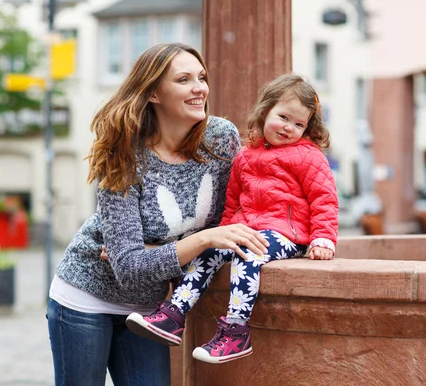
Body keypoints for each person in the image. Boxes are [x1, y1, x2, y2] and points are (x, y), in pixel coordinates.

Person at [46, 42, 269, 386]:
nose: (200, 88)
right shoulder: (124, 153)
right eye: (184, 80)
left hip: (149, 310)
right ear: (153, 93)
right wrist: (202, 239)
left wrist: (154, 253)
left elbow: (236, 216)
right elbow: (130, 271)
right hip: (85, 294)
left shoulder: (220, 139)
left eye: (201, 77)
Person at [126, 73, 339, 364]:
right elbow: (233, 202)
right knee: (209, 250)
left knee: (248, 253)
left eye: (299, 124)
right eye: (284, 117)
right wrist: (223, 233)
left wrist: (323, 238)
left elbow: (324, 199)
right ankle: (173, 315)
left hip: (287, 235)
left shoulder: (308, 157)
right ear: (265, 111)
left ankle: (236, 332)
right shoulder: (245, 156)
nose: (289, 128)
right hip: (247, 228)